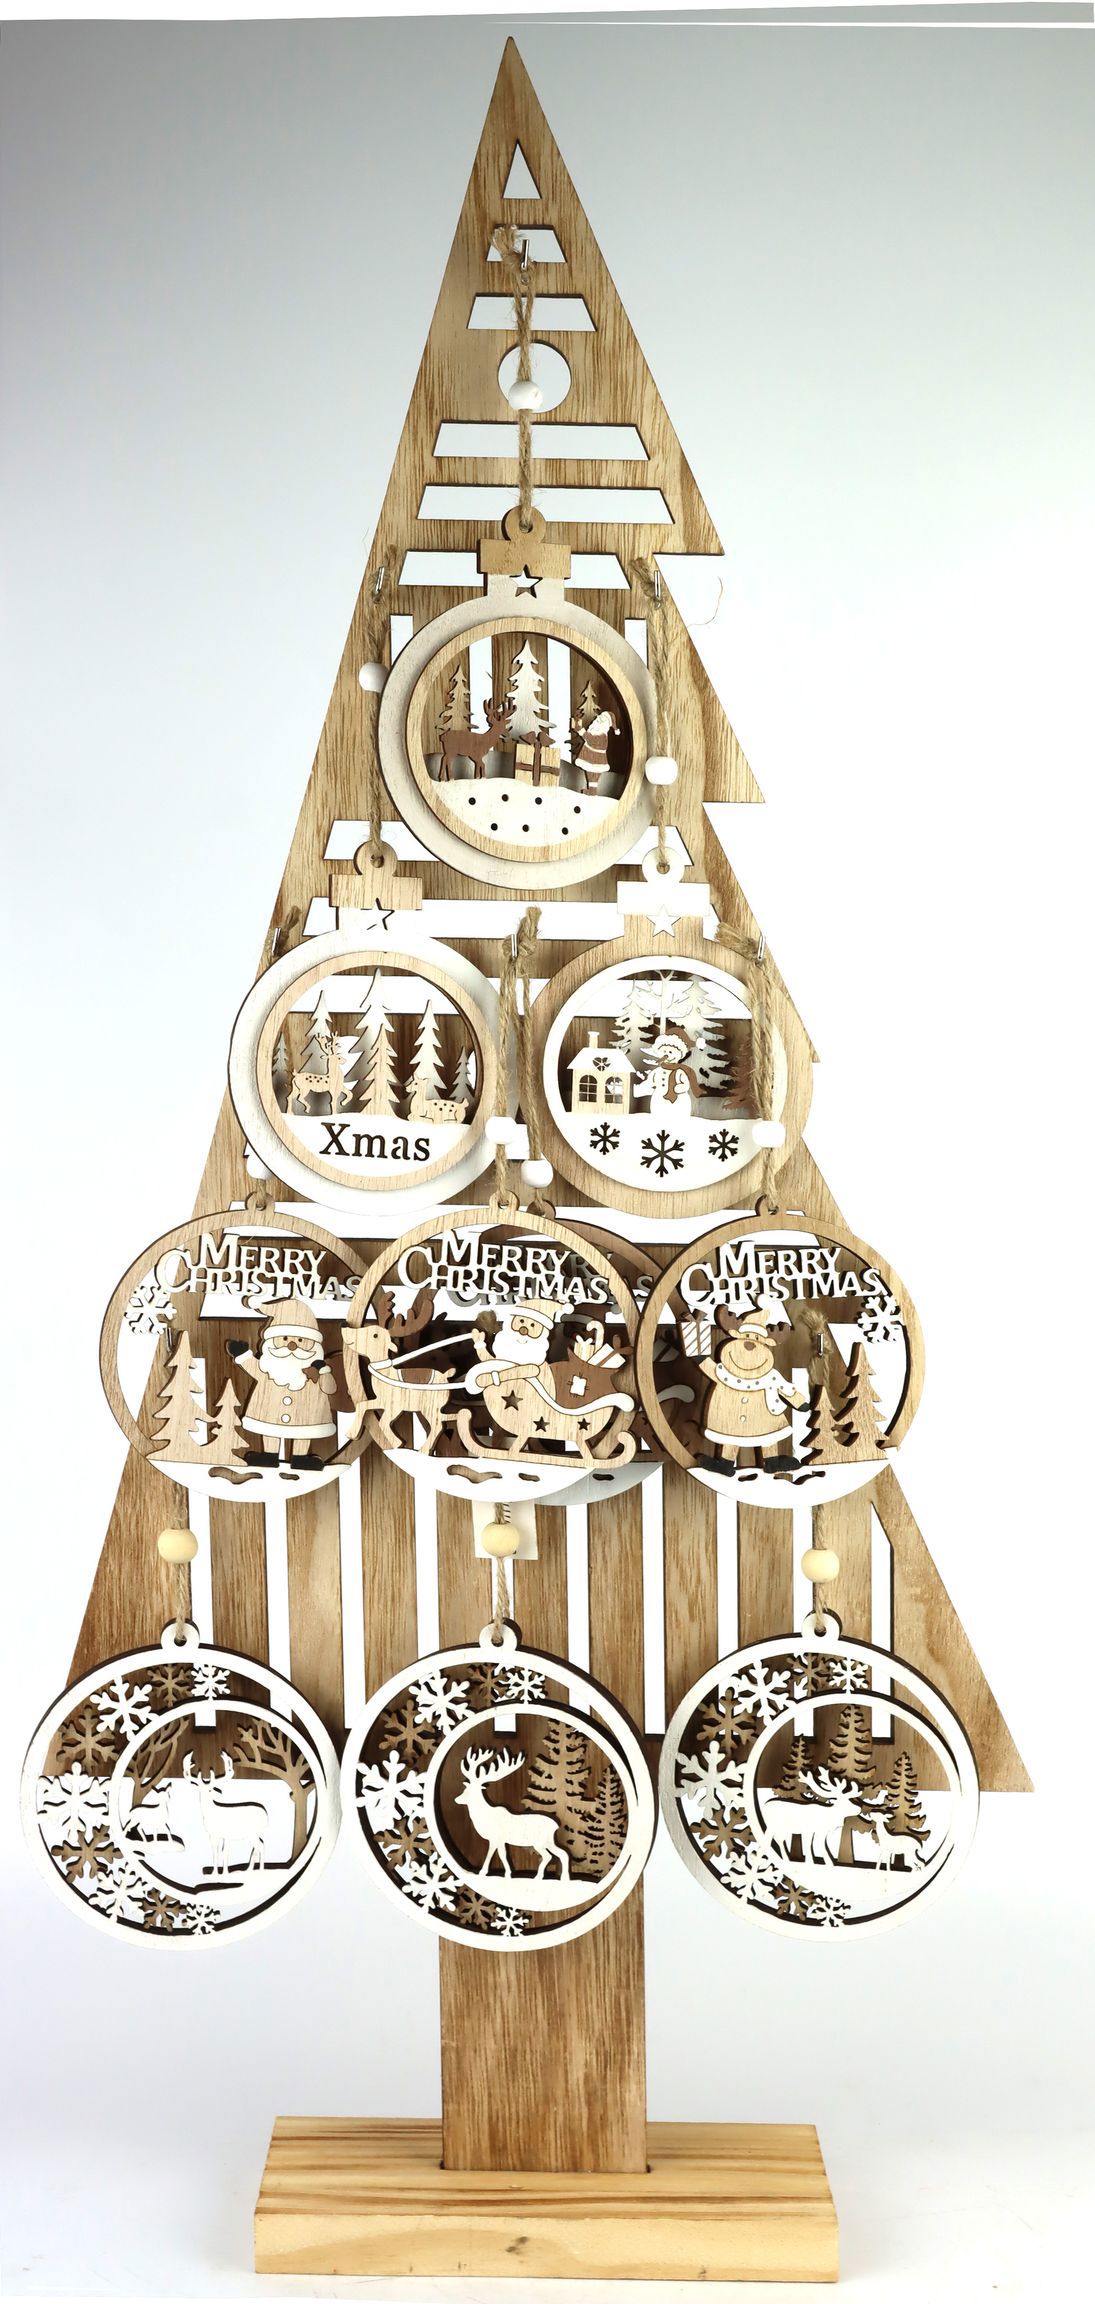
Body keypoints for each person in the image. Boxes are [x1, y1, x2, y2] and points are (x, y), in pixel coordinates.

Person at [227, 1296, 337, 1468]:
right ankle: (269, 1456)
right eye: (285, 1338)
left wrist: (323, 1371)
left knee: (303, 1432)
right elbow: (256, 1370)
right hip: (270, 1409)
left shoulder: (314, 1371)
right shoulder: (270, 1367)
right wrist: (244, 1356)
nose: (292, 1346)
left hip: (305, 1413)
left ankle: (300, 1458)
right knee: (270, 1429)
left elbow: (330, 1389)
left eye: (300, 1340)